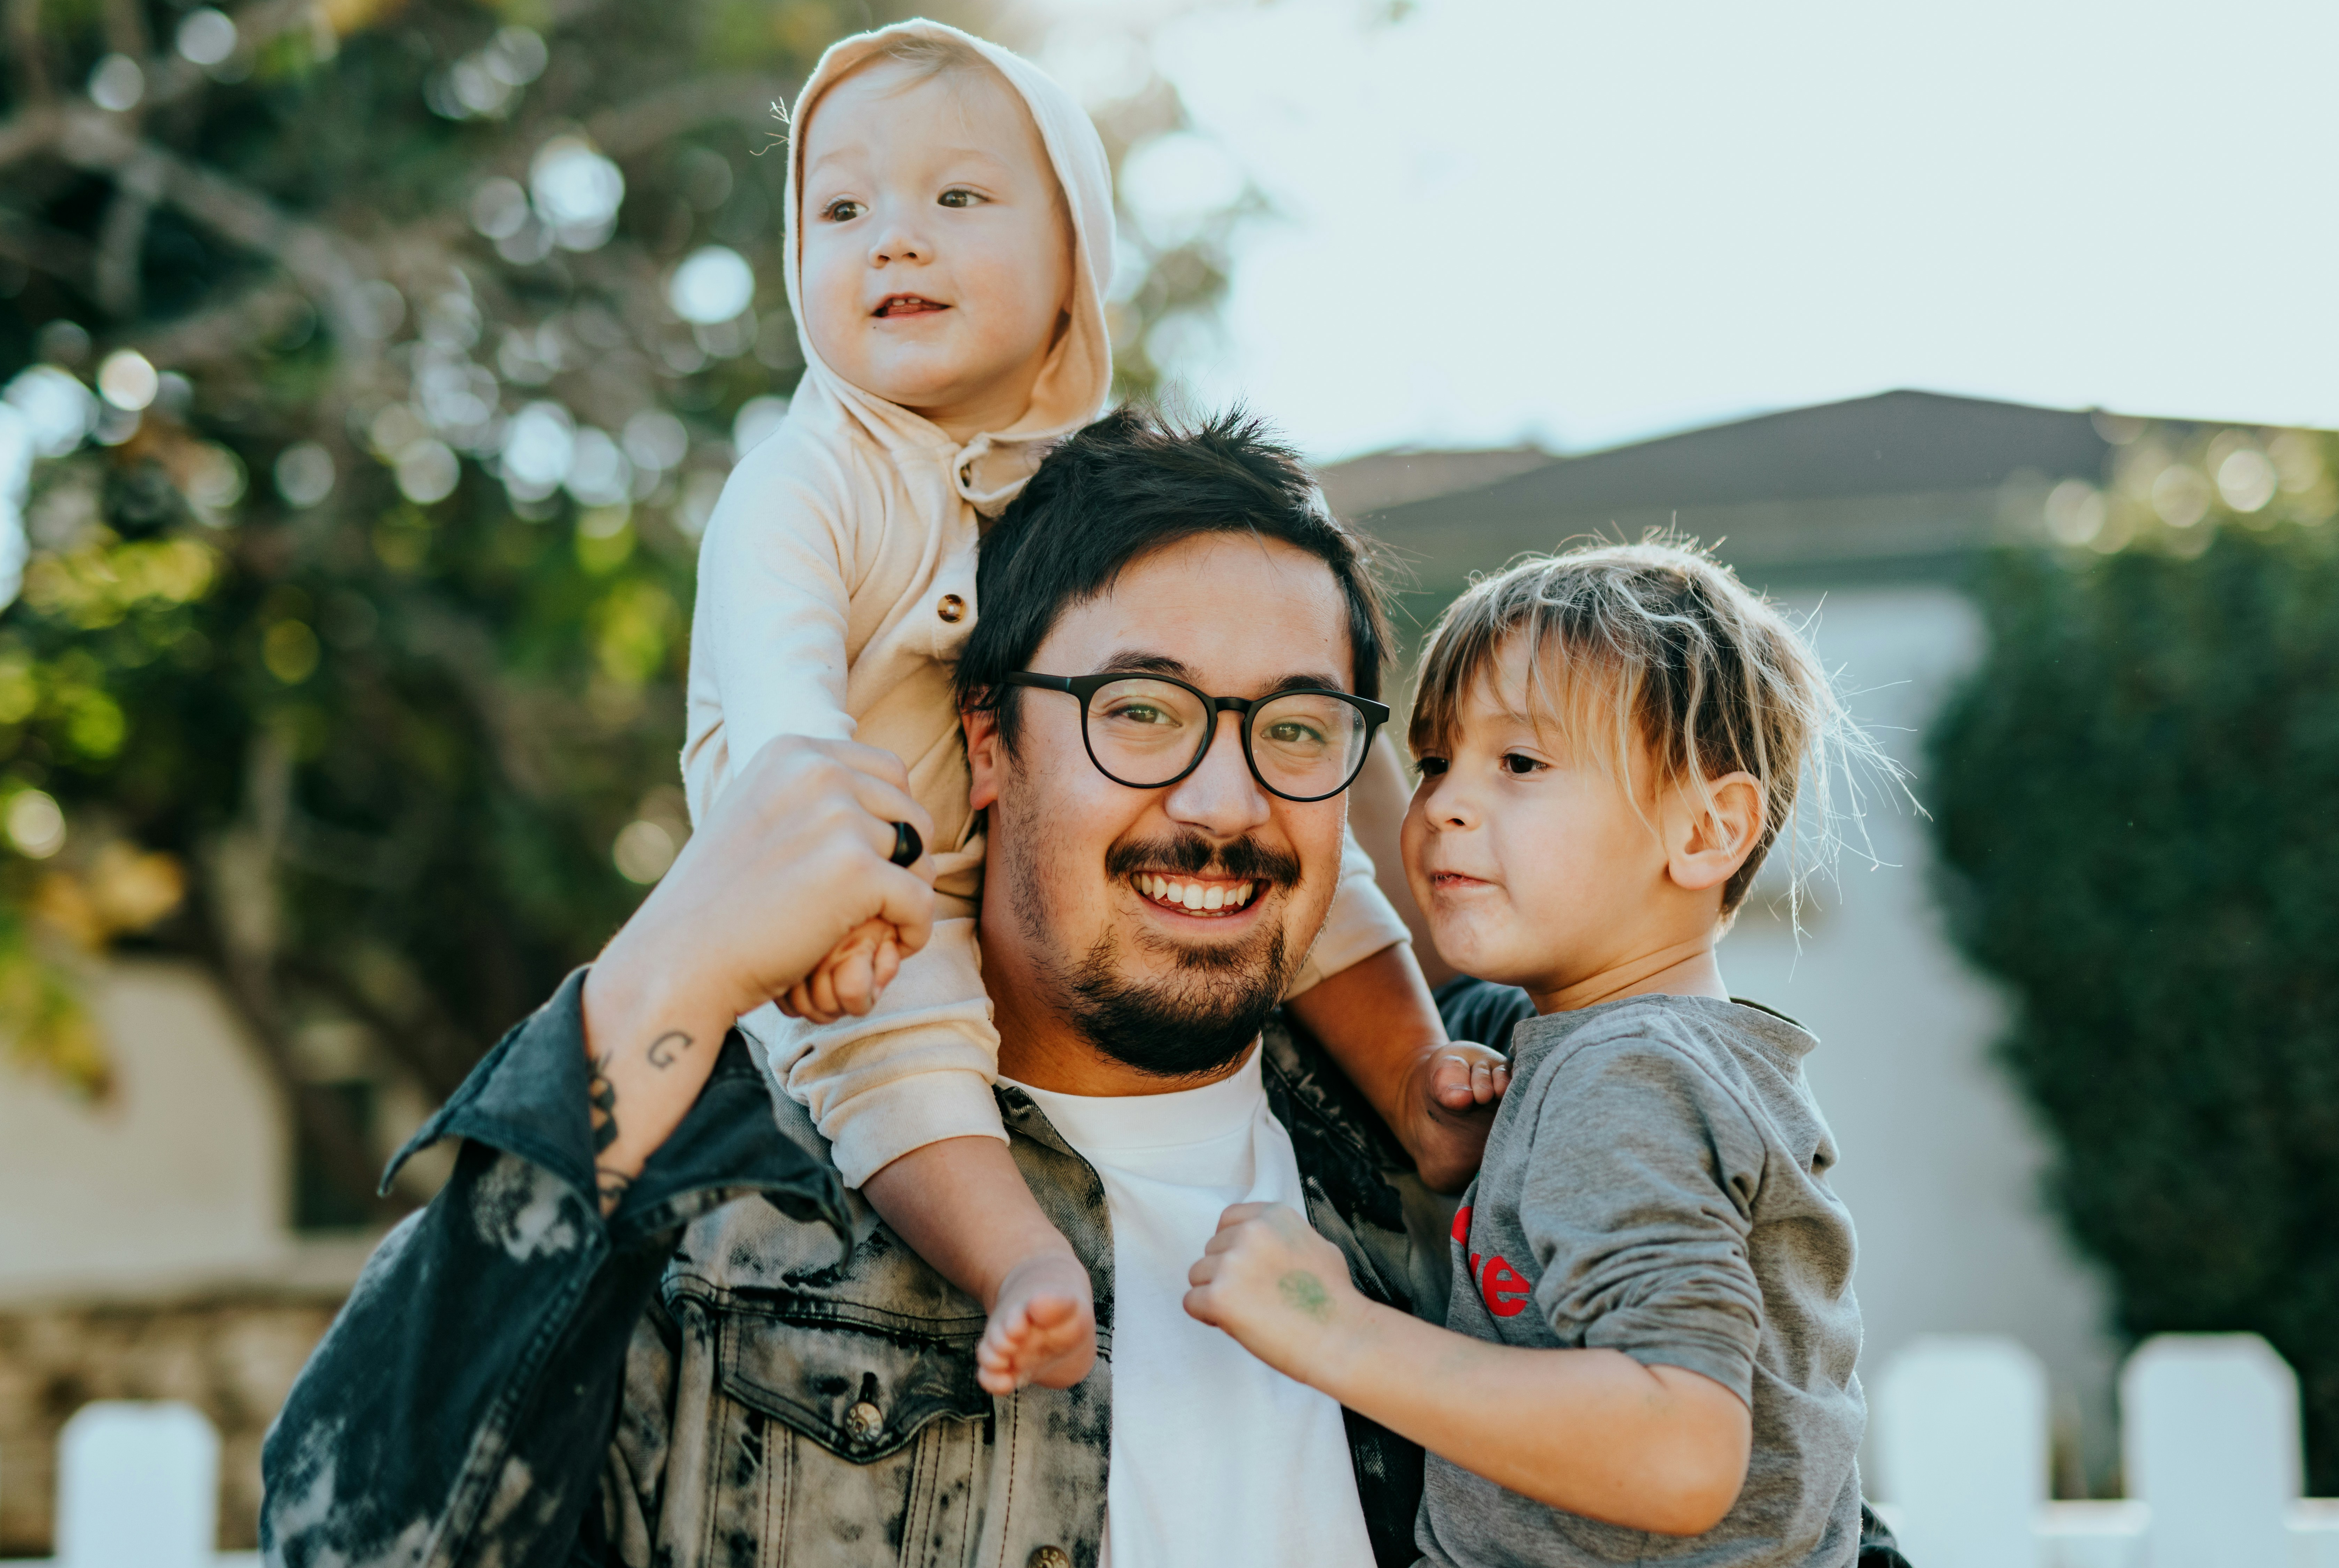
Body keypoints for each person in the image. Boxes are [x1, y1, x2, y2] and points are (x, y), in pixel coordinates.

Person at [263, 408, 1457, 1568]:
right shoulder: (727, 1217)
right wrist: (667, 962)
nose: (1224, 803)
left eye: (1297, 729)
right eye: (1140, 713)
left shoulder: (1485, 1163)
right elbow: (358, 1540)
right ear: (986, 742)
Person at [680, 19, 1499, 1401]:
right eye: (841, 209)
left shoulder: (1095, 487)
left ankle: (1419, 1086)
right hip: (851, 885)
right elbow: (782, 717)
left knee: (1311, 863)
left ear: (1075, 260)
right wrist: (830, 899)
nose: (894, 239)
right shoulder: (806, 480)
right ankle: (1018, 1261)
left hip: (987, 859)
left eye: (956, 199)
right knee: (899, 1054)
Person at [1186, 539, 1884, 1568]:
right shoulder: (1635, 1052)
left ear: (1705, 829)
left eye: (1519, 763)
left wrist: (1329, 1327)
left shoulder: (1625, 1077)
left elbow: (1682, 1447)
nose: (1444, 806)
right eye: (1434, 761)